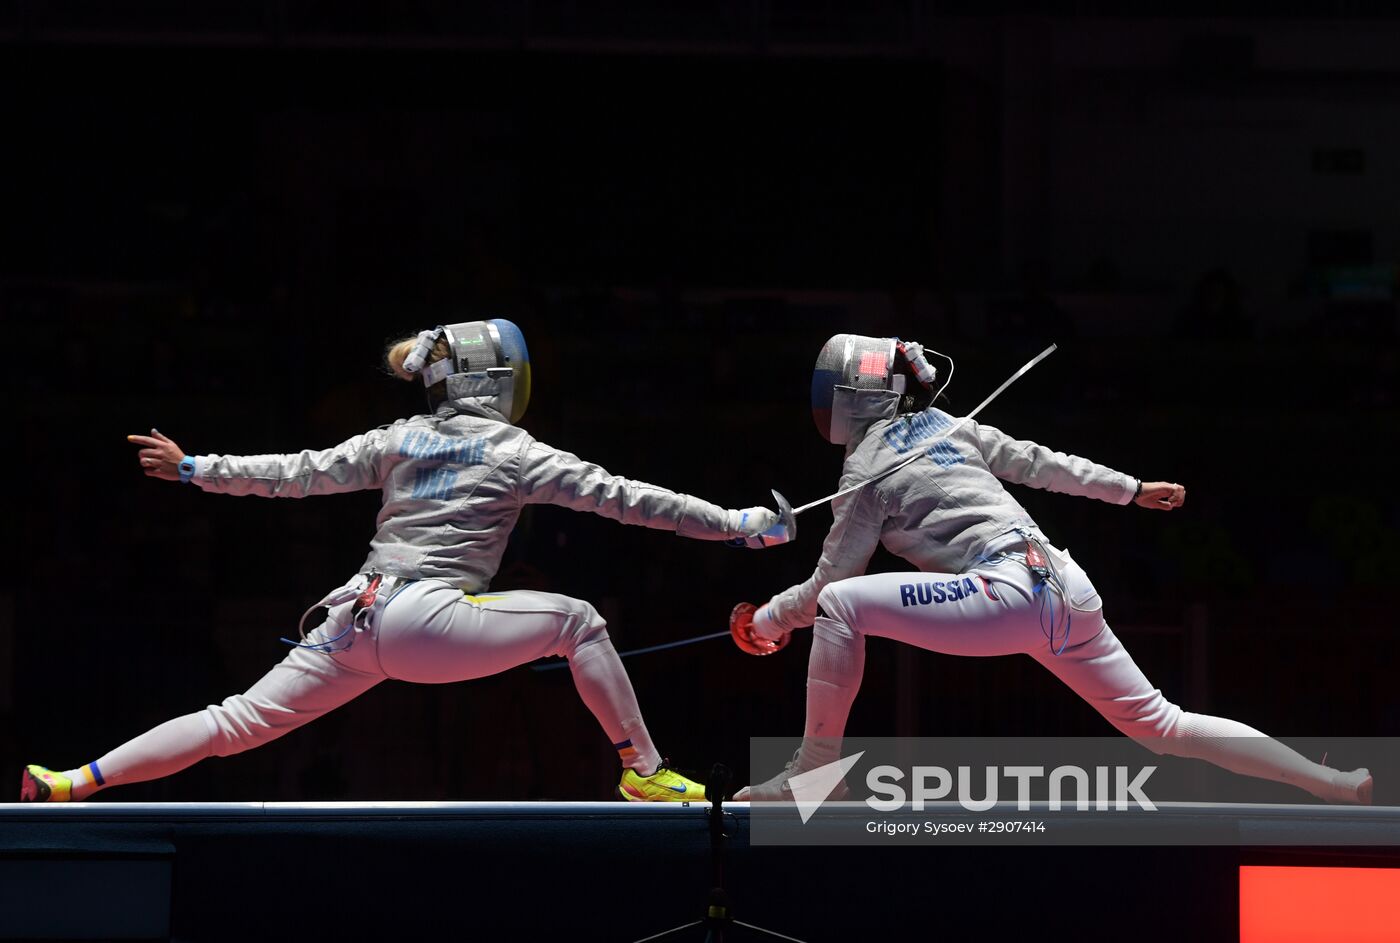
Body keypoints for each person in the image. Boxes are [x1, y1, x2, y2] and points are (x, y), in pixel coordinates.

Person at [21, 319, 787, 804]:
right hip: (429, 619)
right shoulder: (515, 450)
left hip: (350, 618)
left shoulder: (397, 437)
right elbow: (630, 498)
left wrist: (196, 468)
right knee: (580, 622)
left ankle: (76, 779)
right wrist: (741, 526)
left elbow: (294, 472)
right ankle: (644, 767)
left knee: (234, 721)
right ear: (497, 381)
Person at [734, 333, 1371, 805]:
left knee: (845, 605)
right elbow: (1041, 463)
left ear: (851, 397)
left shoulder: (866, 469)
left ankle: (814, 776)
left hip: (1004, 592)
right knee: (1162, 723)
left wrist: (764, 619)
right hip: (1066, 588)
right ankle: (1334, 784)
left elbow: (827, 588)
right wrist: (1129, 487)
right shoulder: (949, 427)